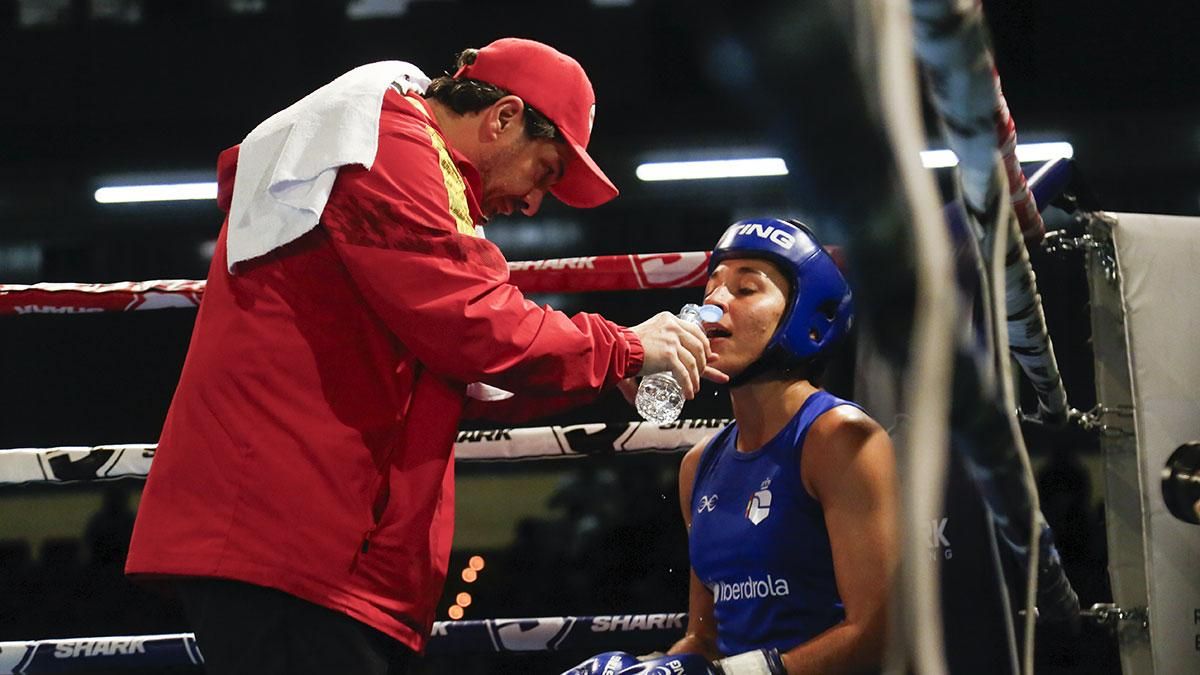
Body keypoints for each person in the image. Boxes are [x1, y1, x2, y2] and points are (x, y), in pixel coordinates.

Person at [125, 38, 723, 675]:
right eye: (544, 172)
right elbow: (473, 324)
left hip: (315, 541)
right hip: (291, 538)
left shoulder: (393, 148)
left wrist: (613, 370)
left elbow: (463, 365)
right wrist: (623, 347)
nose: (531, 202)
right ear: (503, 118)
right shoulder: (388, 143)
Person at [565, 218, 897, 675]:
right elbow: (706, 638)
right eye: (712, 291)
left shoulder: (837, 437)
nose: (714, 305)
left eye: (745, 290)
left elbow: (876, 634)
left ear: (803, 316)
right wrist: (651, 667)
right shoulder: (699, 465)